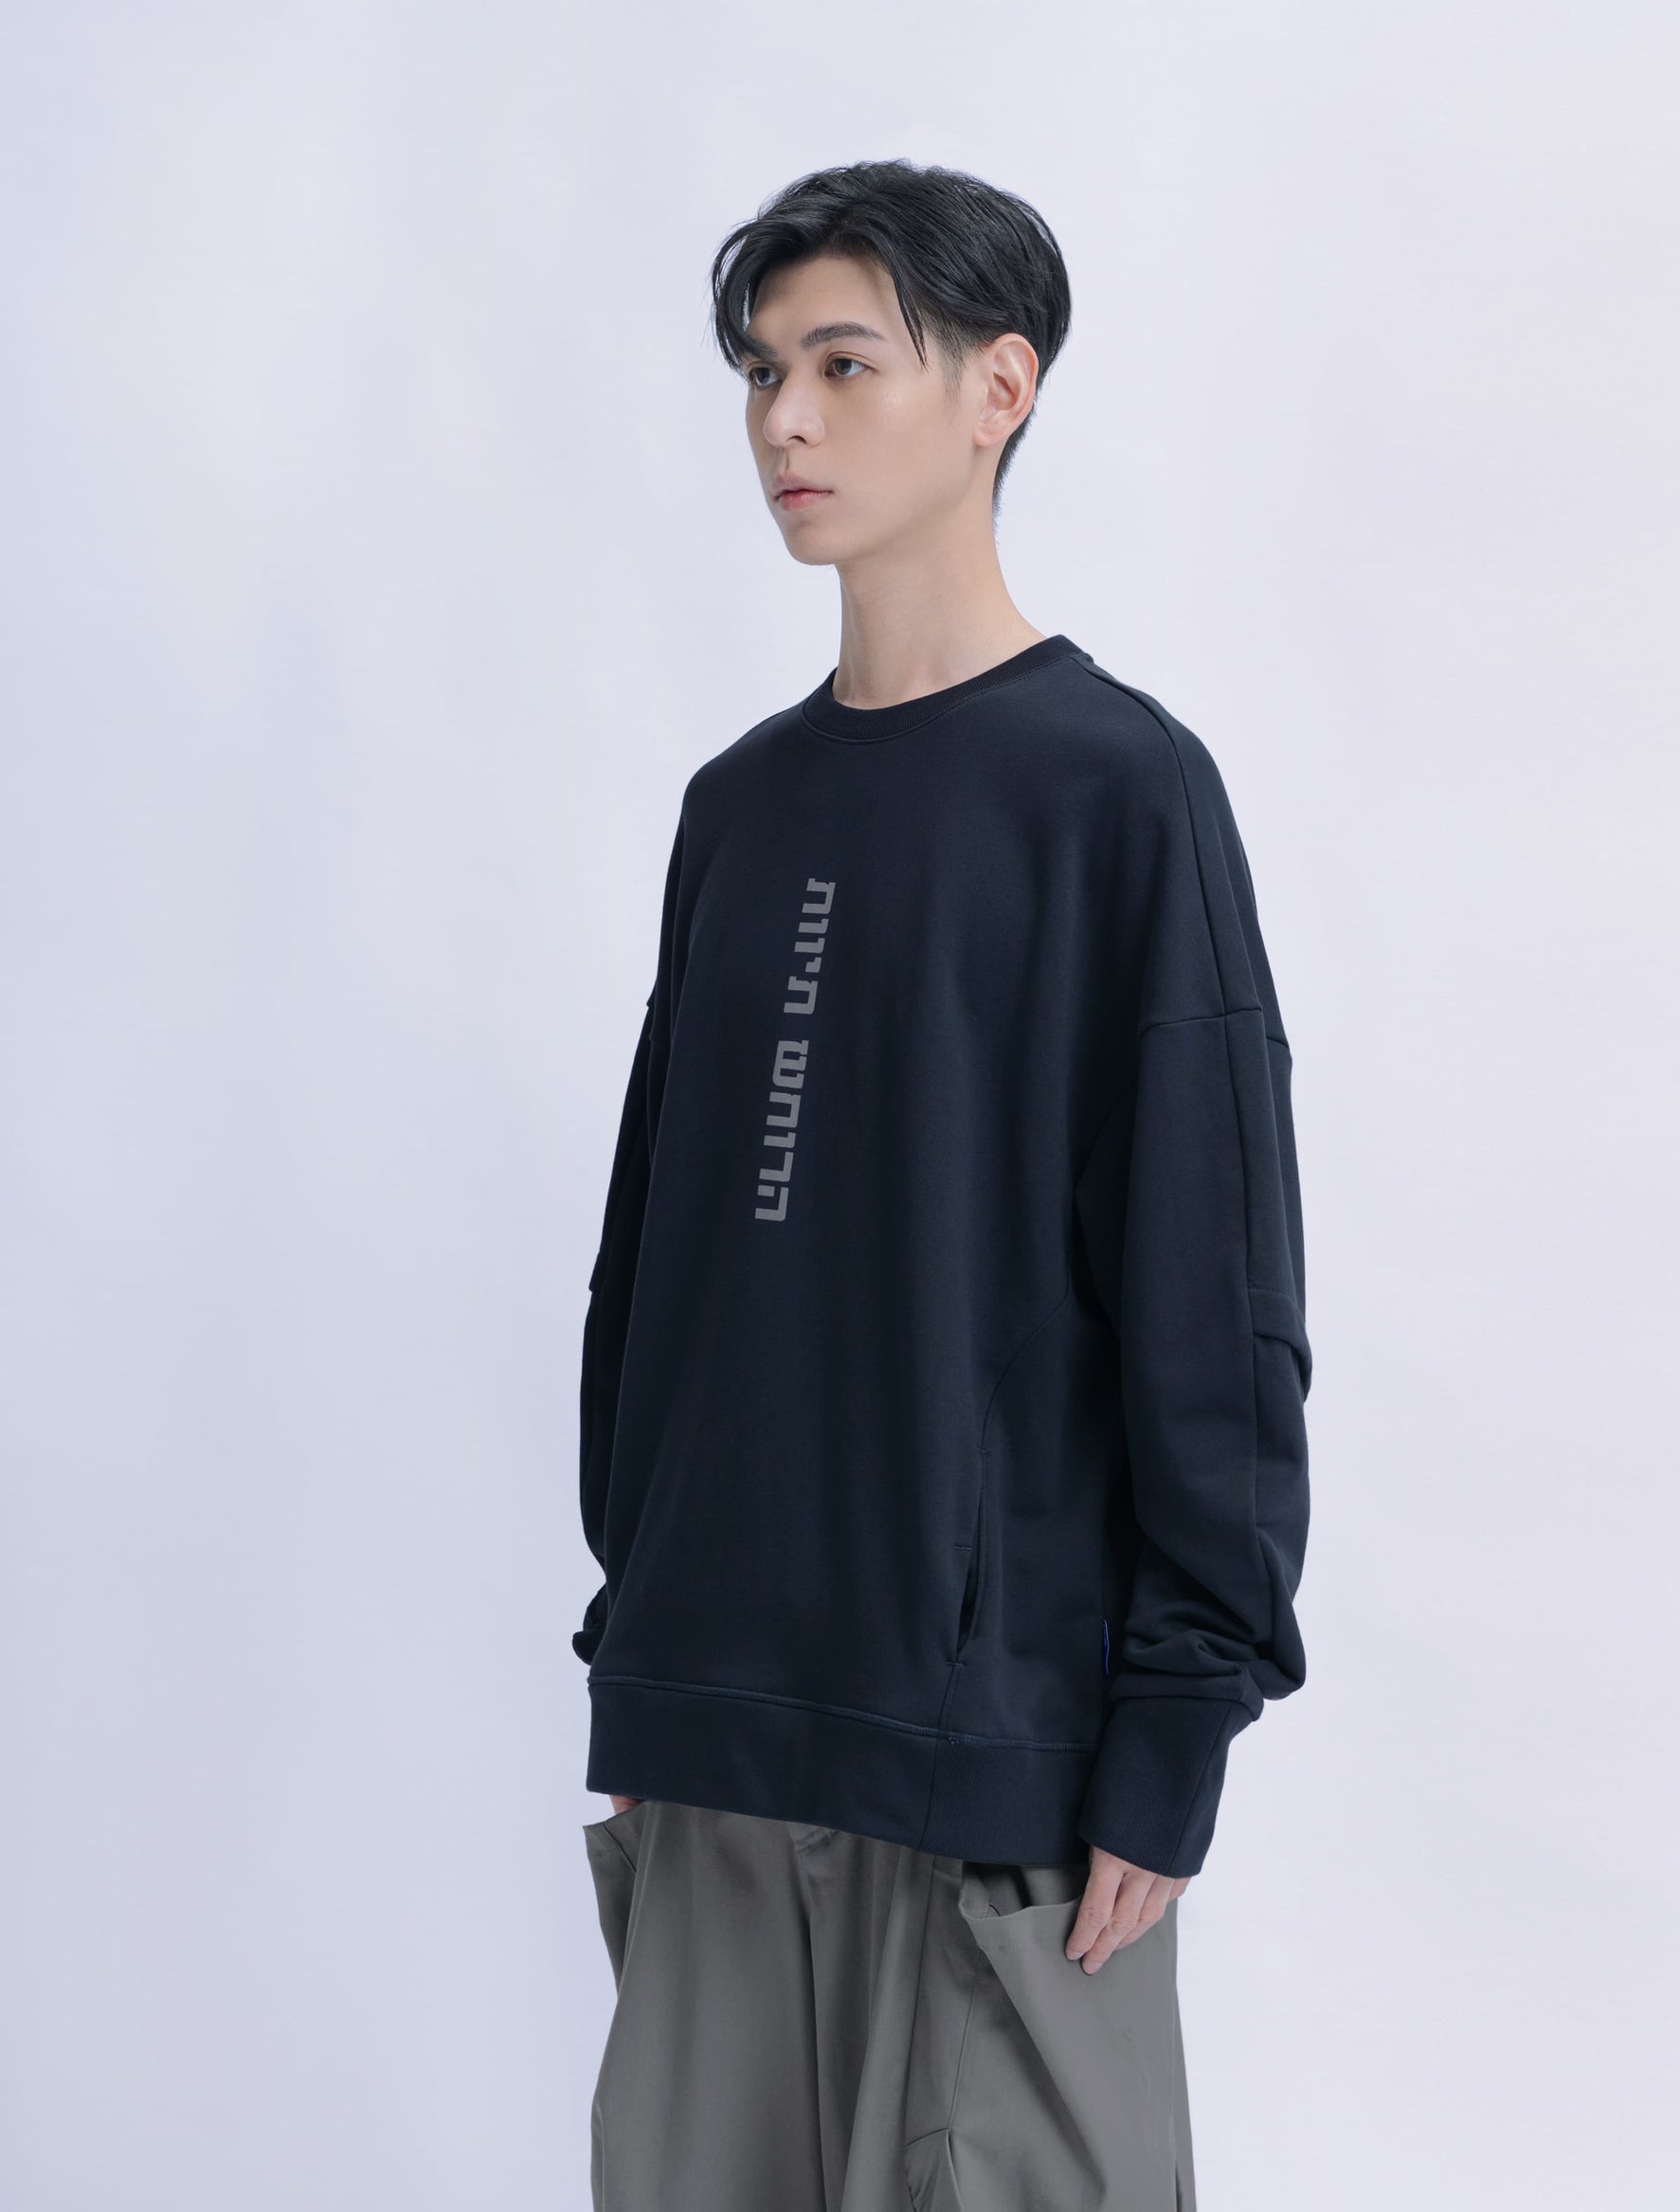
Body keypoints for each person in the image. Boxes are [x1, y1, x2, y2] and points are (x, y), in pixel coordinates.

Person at [572, 157, 1311, 2211]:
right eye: (759, 373)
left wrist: (1174, 1726)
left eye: (841, 364)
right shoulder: (737, 807)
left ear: (1000, 387)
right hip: (712, 1741)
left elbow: (1211, 1297)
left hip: (1000, 1774)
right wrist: (646, 1637)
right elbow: (656, 1264)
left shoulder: (1118, 796)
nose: (783, 422)